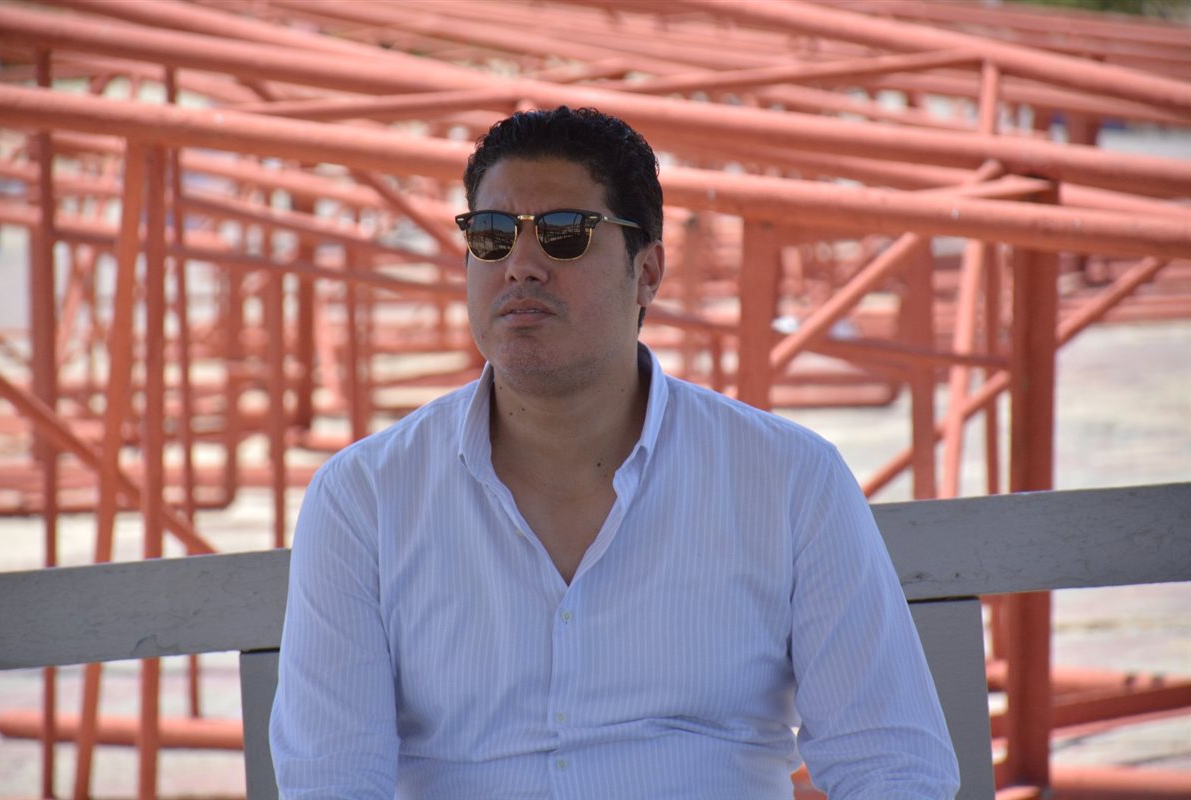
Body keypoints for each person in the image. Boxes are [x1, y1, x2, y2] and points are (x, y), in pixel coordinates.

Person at [270, 106, 960, 799]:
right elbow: (332, 782)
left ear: (647, 271)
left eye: (565, 234)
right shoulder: (365, 498)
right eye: (492, 235)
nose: (521, 267)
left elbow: (891, 764)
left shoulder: (788, 481)